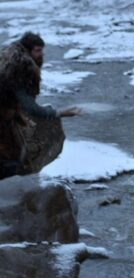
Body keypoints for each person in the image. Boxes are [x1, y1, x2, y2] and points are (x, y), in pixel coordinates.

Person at [0, 32, 81, 178]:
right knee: (10, 159)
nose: (41, 54)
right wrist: (59, 113)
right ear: (28, 50)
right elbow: (29, 107)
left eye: (42, 50)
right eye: (37, 50)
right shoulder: (20, 68)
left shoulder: (8, 59)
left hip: (6, 113)